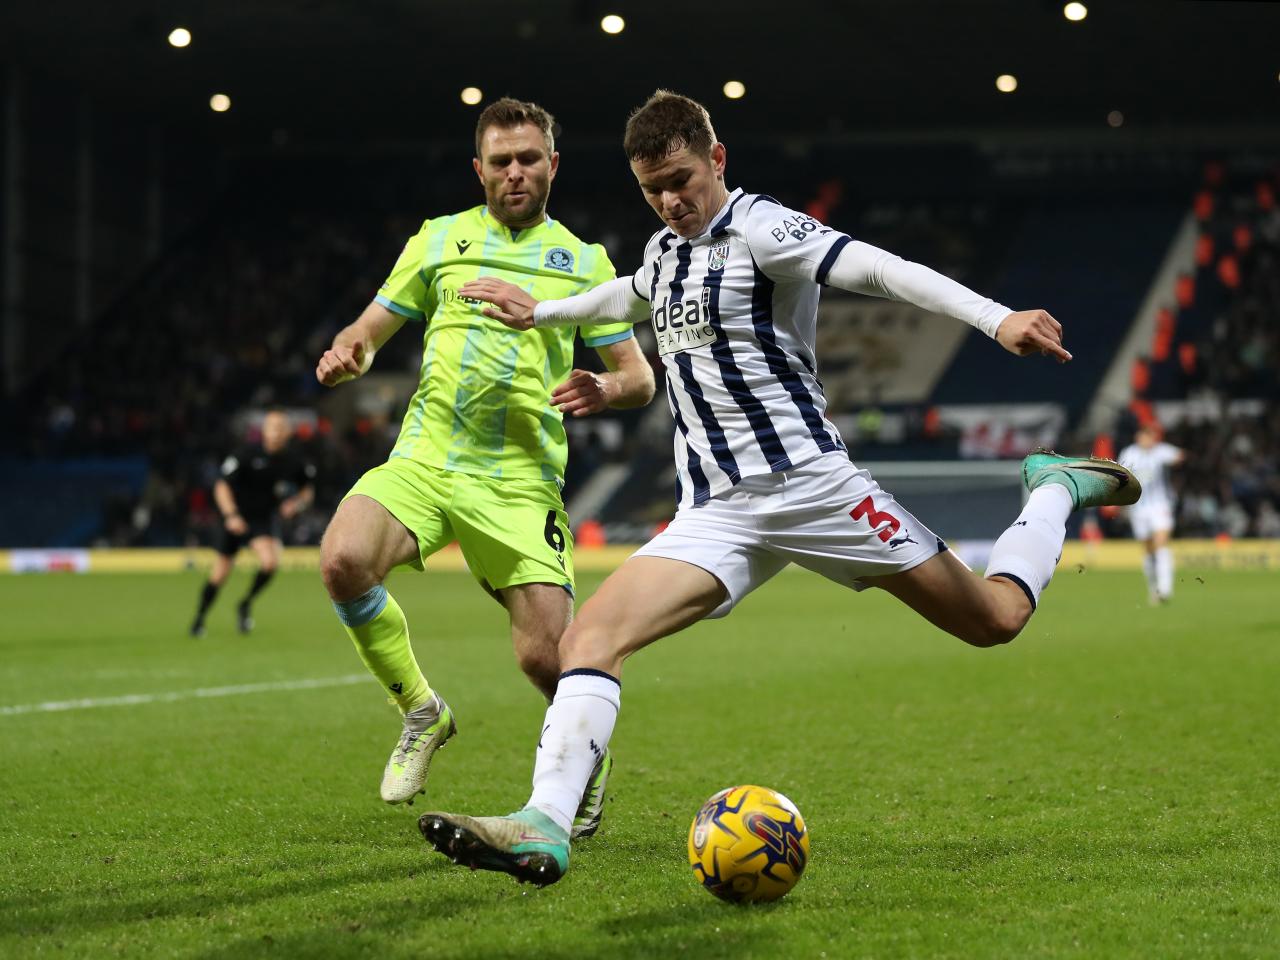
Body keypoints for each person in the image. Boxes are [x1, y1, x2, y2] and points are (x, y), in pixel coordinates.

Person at [416, 90, 1141, 885]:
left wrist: (996, 317)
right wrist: (543, 313)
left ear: (717, 160)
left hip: (814, 488)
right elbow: (626, 293)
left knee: (994, 620)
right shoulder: (665, 251)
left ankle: (1054, 490)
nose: (671, 200)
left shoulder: (765, 230)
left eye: (684, 180)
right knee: (587, 642)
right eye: (653, 188)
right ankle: (543, 825)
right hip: (717, 512)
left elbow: (881, 269)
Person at [314, 98, 655, 832]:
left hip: (520, 479)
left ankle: (584, 759)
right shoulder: (437, 240)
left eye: (529, 158)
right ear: (479, 169)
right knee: (343, 559)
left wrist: (606, 384)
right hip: (427, 458)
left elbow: (640, 378)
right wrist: (352, 354)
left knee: (545, 661)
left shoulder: (585, 264)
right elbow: (369, 330)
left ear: (553, 165)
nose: (515, 173)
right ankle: (421, 712)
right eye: (500, 161)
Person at [190, 409, 315, 637]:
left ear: (288, 432)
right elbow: (222, 486)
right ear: (263, 431)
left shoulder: (294, 461)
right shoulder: (245, 454)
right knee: (220, 573)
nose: (276, 433)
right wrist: (231, 515)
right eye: (271, 427)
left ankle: (245, 603)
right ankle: (199, 619)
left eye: (280, 428)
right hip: (236, 516)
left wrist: (296, 504)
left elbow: (307, 491)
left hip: (262, 520)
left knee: (270, 563)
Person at [1117, 424, 1185, 603]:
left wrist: (1176, 460)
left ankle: (1165, 589)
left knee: (1161, 543)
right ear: (1138, 437)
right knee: (1148, 549)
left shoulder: (1160, 451)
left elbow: (1179, 456)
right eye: (1144, 436)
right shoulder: (1129, 453)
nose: (1147, 440)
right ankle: (1153, 588)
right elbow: (1120, 474)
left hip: (1160, 505)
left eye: (1150, 436)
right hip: (1138, 508)